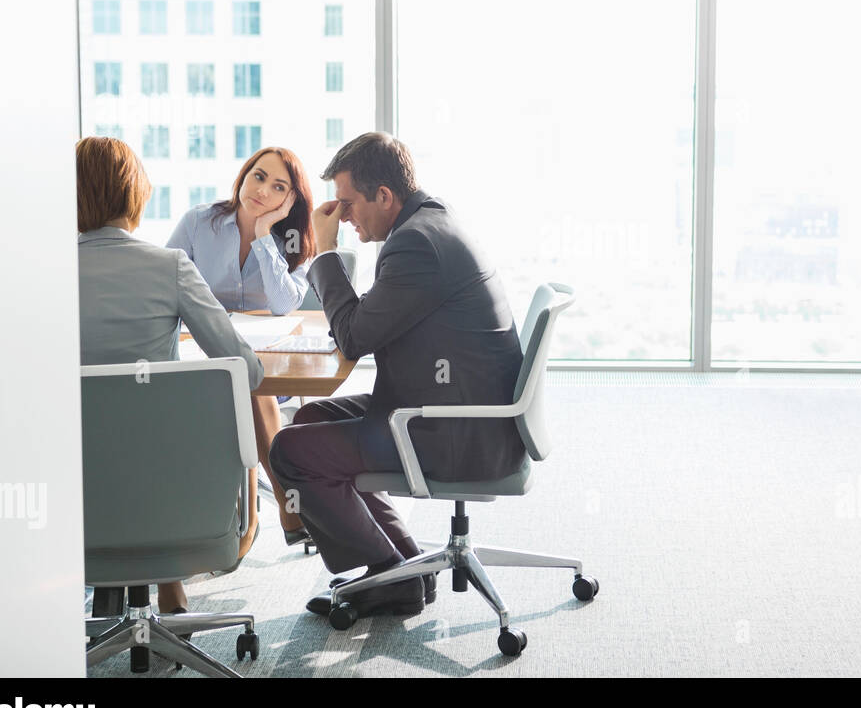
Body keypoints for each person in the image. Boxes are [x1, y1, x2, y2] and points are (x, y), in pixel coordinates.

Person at [270, 132, 526, 618]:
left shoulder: (415, 245)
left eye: (347, 203)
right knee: (310, 417)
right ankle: (404, 564)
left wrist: (325, 255)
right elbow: (377, 317)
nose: (342, 216)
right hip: (460, 409)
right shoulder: (431, 222)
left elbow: (353, 338)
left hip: (456, 432)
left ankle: (389, 575)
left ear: (384, 196)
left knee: (288, 451)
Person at [76, 137, 264, 615]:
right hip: (175, 496)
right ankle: (170, 584)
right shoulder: (169, 267)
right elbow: (246, 370)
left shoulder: (40, 278)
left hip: (71, 500)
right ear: (135, 195)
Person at [167, 147, 316, 549]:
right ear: (244, 175)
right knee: (241, 379)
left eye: (278, 186)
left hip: (267, 370)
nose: (262, 189)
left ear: (290, 200)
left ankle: (248, 523)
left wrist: (266, 234)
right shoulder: (200, 222)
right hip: (201, 358)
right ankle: (285, 499)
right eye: (258, 175)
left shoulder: (294, 240)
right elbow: (164, 285)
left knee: (247, 381)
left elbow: (285, 304)